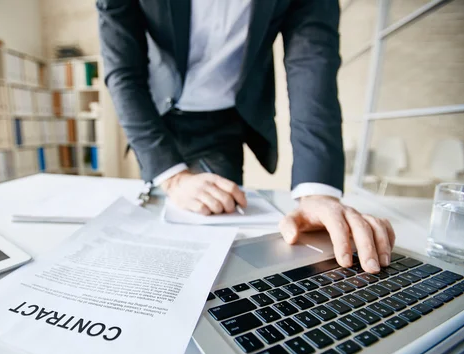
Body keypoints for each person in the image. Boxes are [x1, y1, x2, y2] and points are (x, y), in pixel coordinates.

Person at [97, 0, 395, 273]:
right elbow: (123, 72)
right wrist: (173, 178)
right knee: (160, 230)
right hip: (159, 115)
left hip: (226, 120)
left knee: (218, 239)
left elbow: (312, 64)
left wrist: (318, 194)